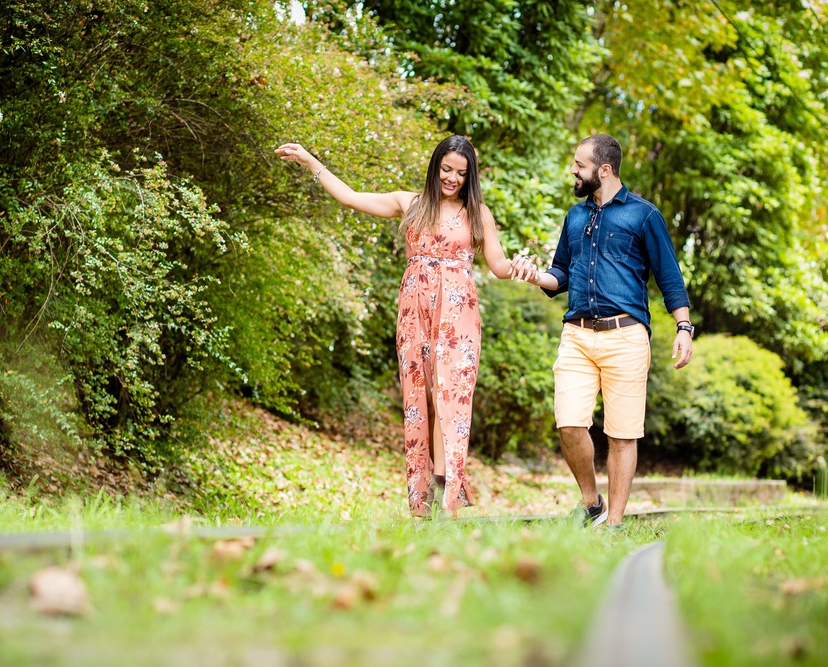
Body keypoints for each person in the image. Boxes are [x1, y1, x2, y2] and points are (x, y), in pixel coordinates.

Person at [275, 136, 533, 517]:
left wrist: (526, 269)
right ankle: (420, 502)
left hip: (458, 313)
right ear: (435, 166)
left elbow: (498, 265)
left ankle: (448, 501)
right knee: (420, 398)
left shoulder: (478, 213)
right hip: (415, 311)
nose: (452, 178)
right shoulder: (409, 203)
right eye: (447, 169)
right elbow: (349, 196)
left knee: (452, 396)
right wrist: (311, 161)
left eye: (461, 173)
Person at [511, 133, 693, 529]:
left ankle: (614, 525)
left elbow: (670, 277)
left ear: (604, 170)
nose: (573, 171)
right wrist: (534, 276)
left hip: (625, 335)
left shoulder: (643, 216)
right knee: (569, 423)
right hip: (576, 334)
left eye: (579, 165)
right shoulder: (575, 216)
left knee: (623, 434)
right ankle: (592, 503)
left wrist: (683, 326)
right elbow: (558, 274)